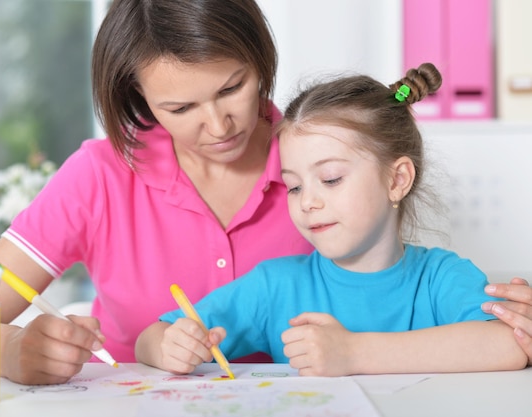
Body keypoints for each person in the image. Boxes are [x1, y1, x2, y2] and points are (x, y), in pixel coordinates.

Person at [0, 0, 532, 385]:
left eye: (232, 87)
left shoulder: (320, 158)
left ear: (261, 61)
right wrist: (9, 352)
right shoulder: (101, 176)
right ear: (138, 99)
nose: (218, 125)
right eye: (180, 108)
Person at [134, 63, 529, 376]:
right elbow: (151, 336)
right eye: (292, 186)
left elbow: (509, 344)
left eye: (331, 179)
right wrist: (171, 346)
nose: (307, 202)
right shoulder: (276, 286)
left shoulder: (442, 277)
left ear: (397, 179)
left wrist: (353, 352)